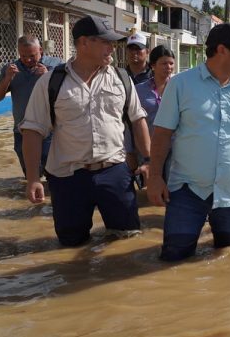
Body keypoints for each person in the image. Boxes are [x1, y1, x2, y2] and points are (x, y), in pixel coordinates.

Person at [146, 23, 230, 262]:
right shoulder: (181, 84)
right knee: (174, 258)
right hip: (187, 191)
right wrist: (154, 177)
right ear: (222, 50)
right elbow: (162, 134)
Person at [20, 16, 151, 246]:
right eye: (105, 42)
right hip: (68, 178)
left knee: (127, 241)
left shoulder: (121, 78)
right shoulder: (52, 82)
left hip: (115, 173)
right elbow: (32, 131)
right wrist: (33, 179)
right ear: (83, 43)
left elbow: (137, 120)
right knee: (71, 245)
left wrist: (150, 161)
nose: (112, 47)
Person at [0, 35, 62, 177]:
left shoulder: (56, 65)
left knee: (54, 174)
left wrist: (48, 77)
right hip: (22, 130)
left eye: (32, 55)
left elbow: (67, 95)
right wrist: (7, 79)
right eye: (23, 56)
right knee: (30, 175)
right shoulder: (10, 69)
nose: (28, 60)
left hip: (50, 130)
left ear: (40, 50)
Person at [131, 45, 176, 179]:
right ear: (153, 65)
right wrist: (128, 151)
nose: (168, 67)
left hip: (174, 149)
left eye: (171, 63)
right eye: (164, 63)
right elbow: (131, 122)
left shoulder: (179, 88)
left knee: (171, 187)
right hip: (147, 150)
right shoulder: (138, 90)